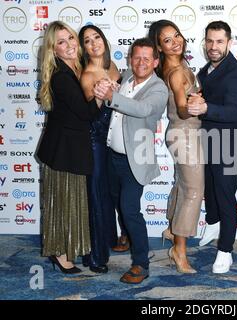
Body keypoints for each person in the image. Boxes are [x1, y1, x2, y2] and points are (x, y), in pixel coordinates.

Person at [93, 38, 168, 284]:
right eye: (137, 57)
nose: (141, 62)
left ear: (156, 61)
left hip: (136, 160)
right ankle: (125, 234)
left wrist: (111, 95)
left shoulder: (158, 88)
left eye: (147, 58)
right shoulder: (125, 78)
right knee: (115, 202)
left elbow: (143, 109)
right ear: (130, 59)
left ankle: (141, 264)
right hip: (112, 156)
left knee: (129, 209)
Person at [36, 21, 101, 273]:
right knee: (63, 203)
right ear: (54, 50)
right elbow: (86, 114)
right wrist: (100, 93)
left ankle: (64, 250)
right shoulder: (62, 76)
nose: (69, 45)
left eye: (71, 39)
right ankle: (60, 254)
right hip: (62, 152)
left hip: (70, 149)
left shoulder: (78, 69)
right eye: (61, 42)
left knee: (71, 201)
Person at [187, 21, 237, 273]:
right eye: (210, 41)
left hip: (228, 141)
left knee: (225, 196)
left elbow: (234, 111)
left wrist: (206, 108)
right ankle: (212, 223)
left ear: (229, 43)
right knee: (210, 189)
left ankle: (226, 250)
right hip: (209, 138)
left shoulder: (234, 72)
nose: (214, 46)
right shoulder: (208, 68)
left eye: (219, 41)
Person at [148, 20, 204, 273]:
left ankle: (171, 231)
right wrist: (189, 107)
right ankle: (179, 250)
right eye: (167, 40)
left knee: (182, 186)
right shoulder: (178, 71)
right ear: (159, 47)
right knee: (193, 191)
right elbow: (182, 107)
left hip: (182, 134)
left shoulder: (178, 66)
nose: (175, 42)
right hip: (185, 134)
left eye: (177, 36)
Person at [78, 25, 125, 273]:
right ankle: (94, 256)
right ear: (83, 48)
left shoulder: (112, 67)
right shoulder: (87, 75)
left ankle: (104, 245)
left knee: (106, 193)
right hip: (94, 140)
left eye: (96, 37)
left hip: (110, 140)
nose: (94, 43)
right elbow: (91, 114)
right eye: (87, 41)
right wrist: (100, 97)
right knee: (95, 195)